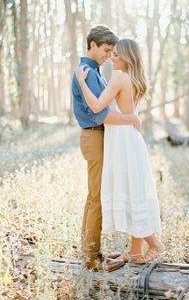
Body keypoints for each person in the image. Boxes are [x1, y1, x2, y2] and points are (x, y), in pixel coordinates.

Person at [77, 38, 165, 264]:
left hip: (124, 142)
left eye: (116, 54)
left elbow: (97, 106)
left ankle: (155, 245)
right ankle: (135, 253)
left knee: (131, 192)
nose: (111, 58)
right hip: (129, 139)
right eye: (111, 53)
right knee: (133, 192)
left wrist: (82, 82)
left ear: (126, 57)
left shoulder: (119, 78)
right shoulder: (133, 79)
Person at [72, 26, 141, 271]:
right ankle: (91, 260)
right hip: (94, 136)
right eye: (106, 50)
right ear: (92, 45)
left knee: (98, 196)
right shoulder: (88, 72)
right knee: (96, 198)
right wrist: (131, 119)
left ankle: (94, 253)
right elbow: (101, 114)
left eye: (113, 51)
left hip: (100, 138)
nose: (109, 55)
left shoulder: (96, 72)